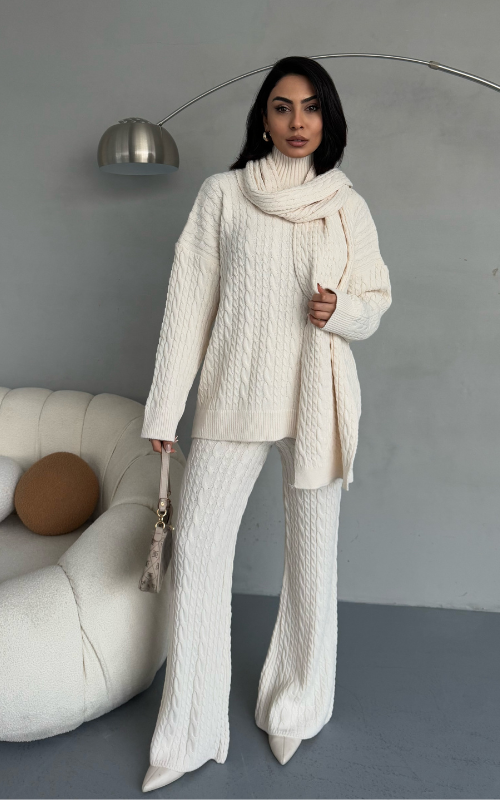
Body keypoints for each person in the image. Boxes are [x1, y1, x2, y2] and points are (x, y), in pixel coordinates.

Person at [140, 55, 392, 792]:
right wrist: (165, 406)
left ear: (328, 118)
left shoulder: (345, 202)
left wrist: (342, 311)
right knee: (197, 554)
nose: (297, 122)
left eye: (311, 108)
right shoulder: (223, 196)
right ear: (262, 117)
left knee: (312, 563)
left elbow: (375, 298)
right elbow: (188, 303)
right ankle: (188, 731)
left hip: (317, 398)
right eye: (282, 107)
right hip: (235, 395)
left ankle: (297, 705)